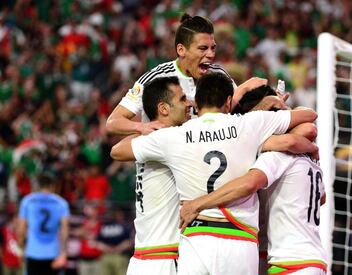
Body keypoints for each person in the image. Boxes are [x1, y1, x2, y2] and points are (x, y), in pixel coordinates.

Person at [111, 72, 317, 274]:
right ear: (228, 102)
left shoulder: (174, 136)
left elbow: (117, 151)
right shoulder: (249, 125)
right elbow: (309, 118)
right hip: (239, 240)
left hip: (195, 240)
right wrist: (276, 108)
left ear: (197, 106)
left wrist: (147, 127)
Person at [106, 13, 274, 135]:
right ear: (181, 49)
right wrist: (141, 127)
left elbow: (232, 114)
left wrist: (264, 101)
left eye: (213, 47)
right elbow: (113, 123)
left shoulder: (218, 74)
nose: (210, 54)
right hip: (161, 177)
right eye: (203, 48)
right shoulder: (156, 78)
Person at [179, 151, 327, 275]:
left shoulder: (279, 156)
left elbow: (249, 184)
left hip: (291, 260)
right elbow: (322, 198)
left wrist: (197, 204)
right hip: (314, 257)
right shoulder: (313, 164)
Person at [112, 76, 192, 275]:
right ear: (164, 108)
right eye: (182, 99)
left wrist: (141, 129)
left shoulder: (150, 141)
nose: (189, 103)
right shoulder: (170, 139)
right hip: (167, 259)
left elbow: (116, 150)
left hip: (141, 258)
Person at [16, 172, 70, 275]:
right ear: (52, 186)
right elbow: (65, 230)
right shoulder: (61, 203)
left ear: (38, 185)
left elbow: (21, 229)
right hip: (53, 253)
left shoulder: (27, 201)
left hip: (33, 252)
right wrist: (63, 253)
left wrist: (20, 248)